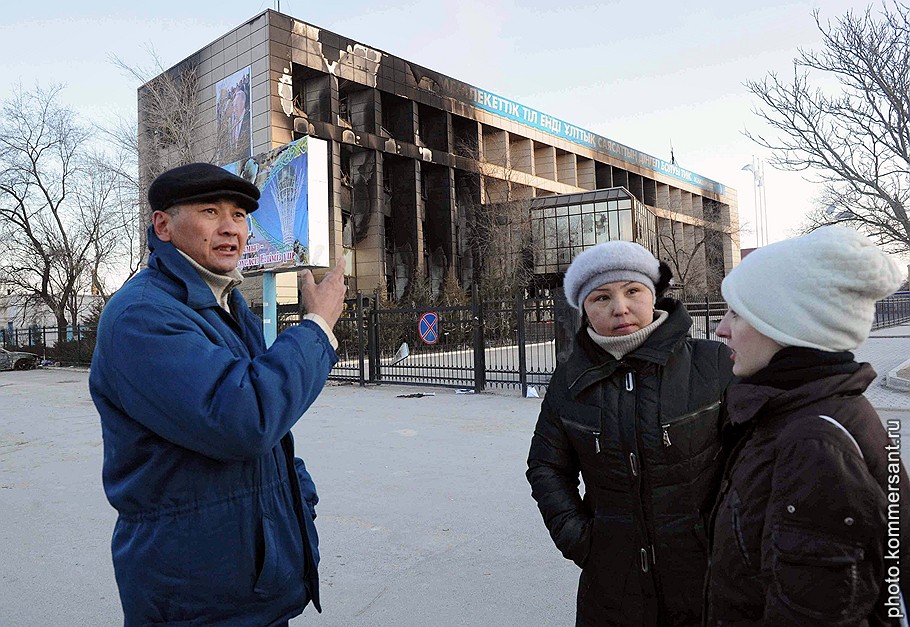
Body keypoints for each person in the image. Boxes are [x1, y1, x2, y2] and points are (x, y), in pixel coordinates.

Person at [89, 162, 347, 626]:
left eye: (241, 215)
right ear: (163, 226)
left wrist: (297, 497)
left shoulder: (224, 305)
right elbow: (246, 419)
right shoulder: (143, 316)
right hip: (196, 594)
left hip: (250, 581)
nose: (231, 227)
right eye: (210, 211)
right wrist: (317, 326)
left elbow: (269, 430)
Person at [706, 225, 910, 626]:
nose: (720, 328)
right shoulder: (803, 411)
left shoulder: (813, 441)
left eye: (737, 313)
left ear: (789, 326)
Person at [527, 240, 734, 626]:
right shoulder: (570, 381)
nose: (619, 308)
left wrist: (721, 534)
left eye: (632, 291)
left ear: (652, 294)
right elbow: (545, 465)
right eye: (601, 297)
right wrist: (581, 540)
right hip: (611, 589)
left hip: (706, 579)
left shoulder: (714, 364)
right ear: (585, 310)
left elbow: (748, 457)